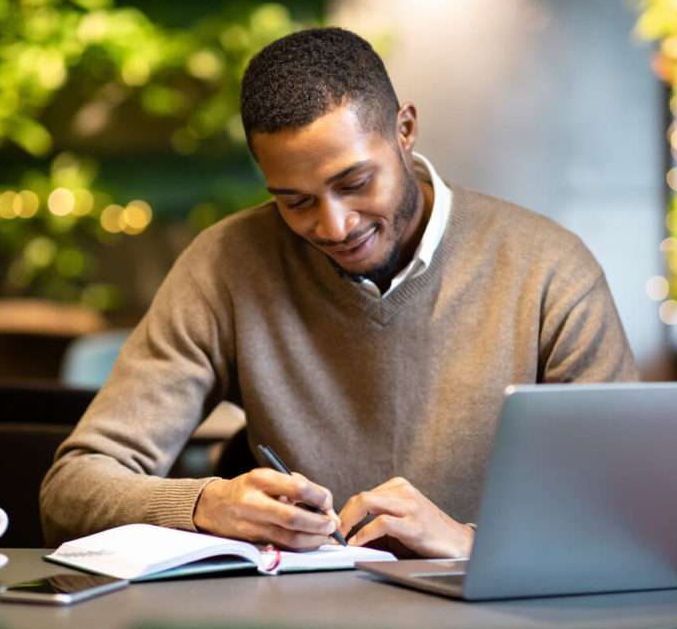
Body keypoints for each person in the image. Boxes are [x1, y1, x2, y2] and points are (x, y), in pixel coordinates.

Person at [40, 27, 638, 556]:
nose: (334, 226)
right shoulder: (225, 265)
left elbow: (629, 505)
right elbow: (71, 490)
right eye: (294, 201)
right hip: (297, 626)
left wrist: (466, 542)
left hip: (496, 623)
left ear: (405, 129)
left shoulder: (550, 268)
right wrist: (204, 506)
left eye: (354, 182)